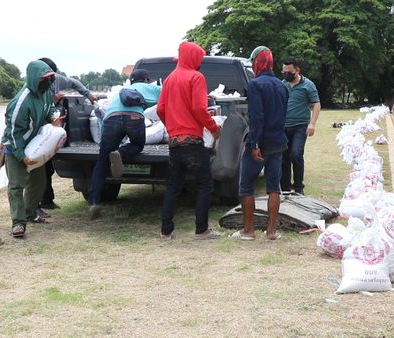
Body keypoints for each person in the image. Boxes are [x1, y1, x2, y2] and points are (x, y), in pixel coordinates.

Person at [157, 41, 222, 240]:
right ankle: (201, 229)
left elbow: (160, 109)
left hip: (175, 142)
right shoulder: (196, 77)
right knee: (205, 185)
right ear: (193, 58)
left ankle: (166, 231)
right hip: (193, 141)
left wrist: (172, 127)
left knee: (173, 186)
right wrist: (213, 128)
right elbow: (199, 109)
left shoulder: (169, 79)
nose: (200, 63)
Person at [230, 46, 289, 241]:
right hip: (279, 142)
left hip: (260, 143)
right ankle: (271, 232)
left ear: (257, 62)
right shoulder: (282, 85)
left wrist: (254, 144)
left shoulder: (256, 84)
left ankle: (248, 231)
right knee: (274, 187)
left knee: (246, 186)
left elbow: (257, 117)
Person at [87, 69, 161, 219]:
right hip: (134, 118)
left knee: (102, 161)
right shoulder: (153, 88)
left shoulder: (122, 90)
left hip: (111, 118)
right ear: (147, 80)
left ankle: (94, 202)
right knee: (137, 145)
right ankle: (121, 153)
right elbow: (172, 95)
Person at [1, 60, 60, 237]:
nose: (49, 84)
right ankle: (18, 223)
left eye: (51, 80)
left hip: (35, 146)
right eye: (45, 80)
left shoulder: (46, 92)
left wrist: (54, 117)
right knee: (16, 186)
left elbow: (49, 108)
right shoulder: (21, 102)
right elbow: (13, 133)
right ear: (35, 79)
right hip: (15, 147)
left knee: (39, 182)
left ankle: (29, 213)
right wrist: (21, 156)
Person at [35, 57, 98, 215]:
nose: (51, 79)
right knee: (35, 171)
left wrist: (88, 94)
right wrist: (52, 100)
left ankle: (47, 200)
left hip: (47, 129)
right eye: (48, 76)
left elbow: (74, 82)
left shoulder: (58, 79)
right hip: (34, 130)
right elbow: (36, 108)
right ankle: (34, 207)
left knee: (47, 167)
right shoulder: (33, 85)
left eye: (52, 76)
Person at [280, 57, 321, 195]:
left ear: (297, 70)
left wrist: (312, 124)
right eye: (284, 72)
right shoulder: (282, 85)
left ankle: (298, 188)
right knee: (283, 157)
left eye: (289, 72)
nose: (286, 74)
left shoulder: (308, 85)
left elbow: (316, 103)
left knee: (296, 154)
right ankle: (285, 188)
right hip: (283, 126)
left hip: (300, 126)